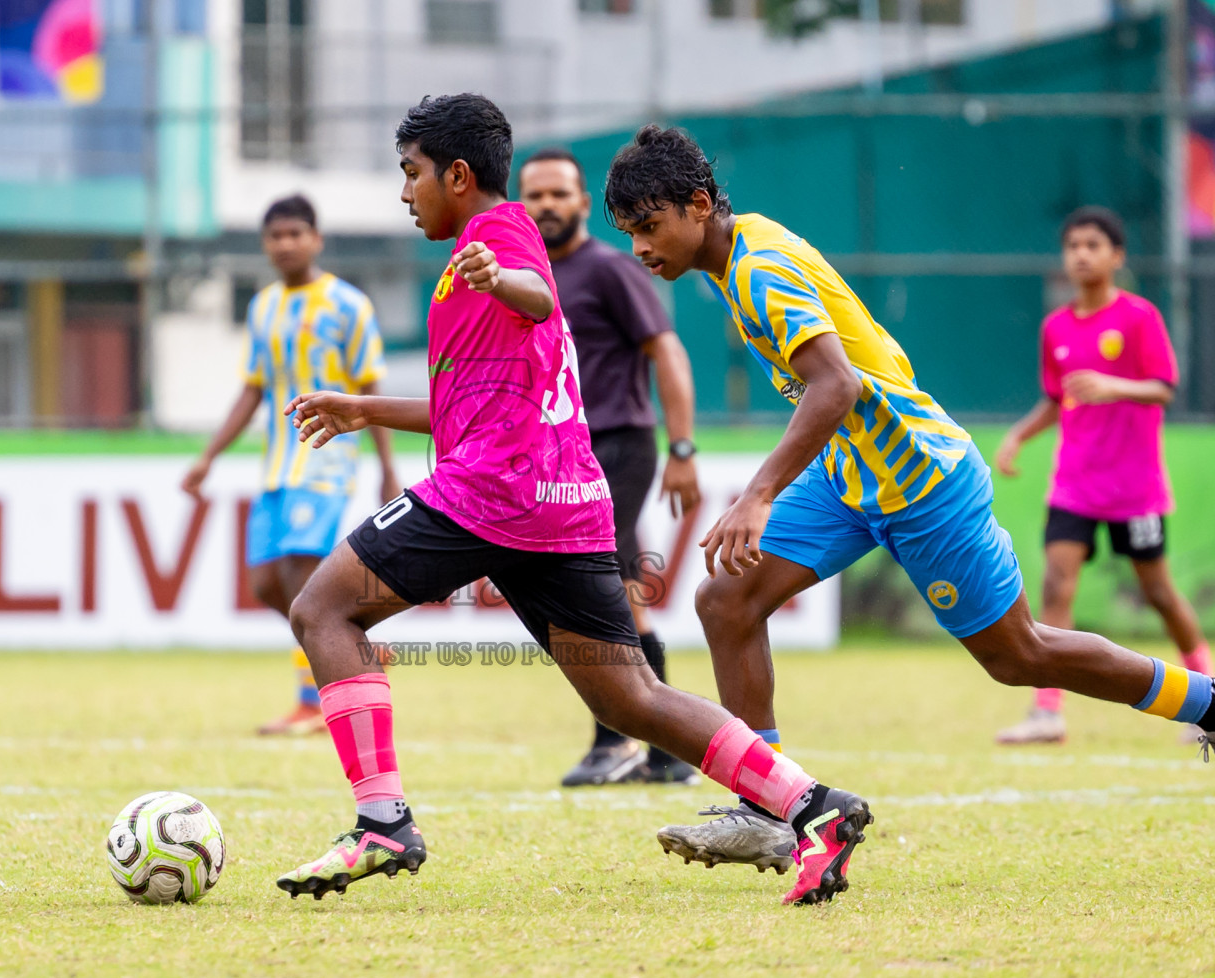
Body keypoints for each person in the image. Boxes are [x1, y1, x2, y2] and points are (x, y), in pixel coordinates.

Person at [600, 125, 1215, 891]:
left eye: (649, 227)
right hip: (850, 473)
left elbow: (836, 385)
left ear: (696, 205)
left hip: (919, 477)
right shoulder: (734, 251)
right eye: (630, 235)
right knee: (726, 599)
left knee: (1017, 655)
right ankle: (769, 805)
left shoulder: (758, 268)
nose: (643, 250)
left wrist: (757, 493)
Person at [276, 93, 871, 907]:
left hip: (493, 493)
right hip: (559, 501)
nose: (405, 192)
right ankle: (815, 806)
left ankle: (382, 821)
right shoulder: (471, 257)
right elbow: (474, 400)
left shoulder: (497, 234)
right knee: (631, 698)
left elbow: (540, 296)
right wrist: (364, 407)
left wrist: (508, 278)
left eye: (410, 174)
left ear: (457, 174)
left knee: (322, 613)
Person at [993, 207, 1212, 746]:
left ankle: (1210, 693)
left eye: (1093, 245)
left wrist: (1116, 386)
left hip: (1135, 489)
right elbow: (1056, 399)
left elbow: (1163, 387)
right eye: (1072, 246)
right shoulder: (1056, 328)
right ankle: (1048, 713)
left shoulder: (1139, 318)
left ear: (1117, 256)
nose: (1081, 254)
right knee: (1056, 584)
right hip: (1075, 484)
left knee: (1158, 592)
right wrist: (1020, 434)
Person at [182, 194, 399, 735]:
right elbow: (253, 389)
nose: (285, 244)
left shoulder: (349, 305)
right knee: (264, 586)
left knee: (304, 576)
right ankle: (357, 644)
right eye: (275, 236)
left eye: (295, 234)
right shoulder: (264, 307)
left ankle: (312, 701)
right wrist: (208, 456)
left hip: (326, 458)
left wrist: (388, 466)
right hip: (277, 465)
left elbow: (371, 386)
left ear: (316, 239)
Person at [518, 147, 702, 787]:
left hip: (618, 444)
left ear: (580, 202)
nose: (546, 205)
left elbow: (667, 351)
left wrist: (682, 449)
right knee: (618, 588)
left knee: (603, 583)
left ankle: (619, 743)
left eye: (559, 193)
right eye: (534, 195)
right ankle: (662, 750)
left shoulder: (611, 270)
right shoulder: (522, 277)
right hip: (555, 454)